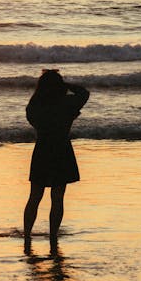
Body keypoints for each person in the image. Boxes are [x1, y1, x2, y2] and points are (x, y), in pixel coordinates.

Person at [24, 69, 89, 249]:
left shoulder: (37, 106)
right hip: (62, 149)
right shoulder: (67, 104)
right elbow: (84, 93)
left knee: (35, 196)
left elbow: (30, 112)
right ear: (59, 86)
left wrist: (41, 91)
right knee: (57, 198)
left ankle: (27, 236)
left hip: (43, 149)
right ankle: (53, 237)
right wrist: (65, 85)